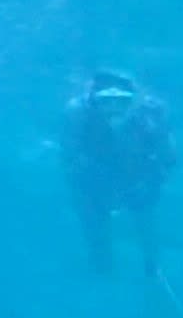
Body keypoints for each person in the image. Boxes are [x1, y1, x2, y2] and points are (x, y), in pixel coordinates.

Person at [64, 68, 174, 282]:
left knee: (144, 218)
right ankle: (102, 266)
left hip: (136, 174)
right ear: (95, 100)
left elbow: (168, 156)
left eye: (121, 101)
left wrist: (152, 180)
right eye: (106, 101)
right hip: (94, 176)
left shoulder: (150, 113)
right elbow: (70, 157)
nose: (113, 109)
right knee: (95, 222)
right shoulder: (78, 113)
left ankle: (152, 268)